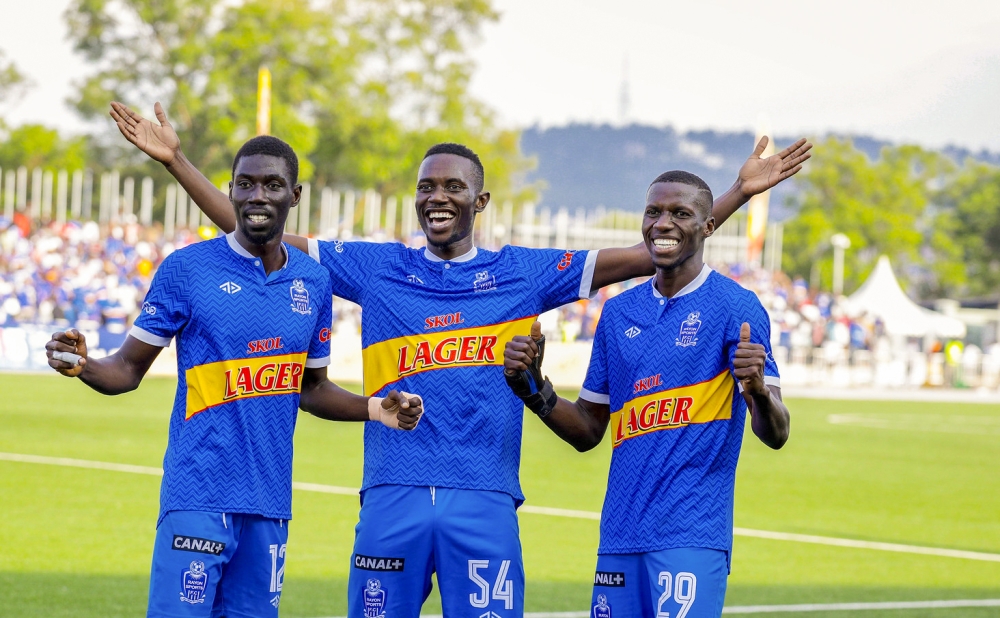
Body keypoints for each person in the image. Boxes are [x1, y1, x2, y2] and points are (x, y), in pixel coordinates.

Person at [109, 101, 808, 617]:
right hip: (391, 497)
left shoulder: (529, 273)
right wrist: (175, 161)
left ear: (481, 201)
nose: (437, 199)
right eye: (426, 188)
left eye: (451, 189)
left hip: (485, 499)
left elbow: (660, 245)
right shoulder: (374, 268)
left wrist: (738, 194)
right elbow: (256, 228)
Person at [45, 135, 422, 618]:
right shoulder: (187, 269)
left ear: (295, 195)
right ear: (232, 191)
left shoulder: (314, 281)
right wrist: (82, 365)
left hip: (269, 505)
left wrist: (375, 408)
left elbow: (311, 388)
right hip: (197, 496)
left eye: (271, 184)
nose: (257, 195)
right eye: (245, 184)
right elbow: (126, 369)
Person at [503, 170, 790, 618]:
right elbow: (587, 430)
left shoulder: (736, 306)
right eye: (654, 212)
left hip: (691, 535)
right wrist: (534, 388)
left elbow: (776, 433)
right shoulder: (617, 313)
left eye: (680, 213)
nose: (663, 223)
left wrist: (757, 392)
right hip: (619, 536)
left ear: (708, 226)